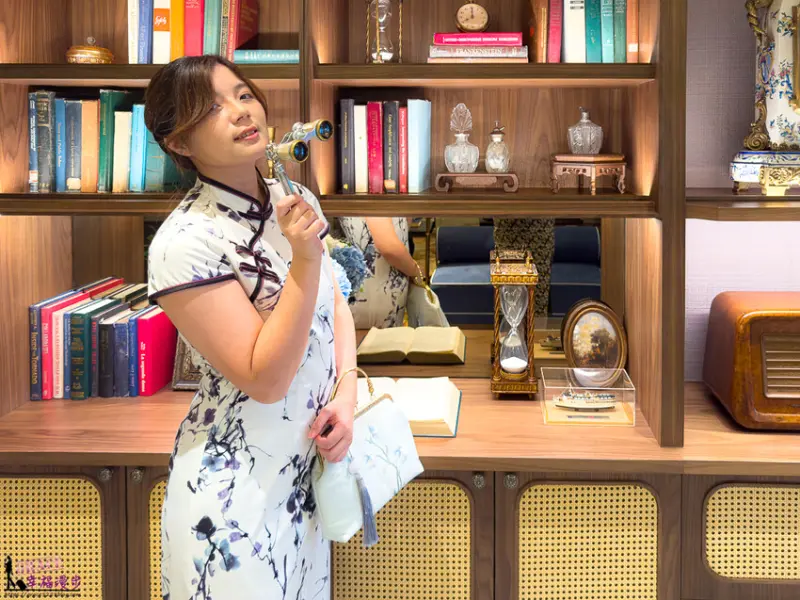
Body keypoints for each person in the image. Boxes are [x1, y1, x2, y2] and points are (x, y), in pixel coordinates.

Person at [143, 54, 357, 600]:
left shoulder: (294, 199)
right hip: (232, 499)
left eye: (242, 94)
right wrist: (305, 259)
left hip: (302, 483)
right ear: (179, 142)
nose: (241, 111)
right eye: (211, 108)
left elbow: (334, 303)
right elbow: (265, 379)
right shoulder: (183, 243)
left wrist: (347, 393)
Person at [338, 216, 421, 328]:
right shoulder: (374, 205)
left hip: (376, 291)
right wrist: (415, 271)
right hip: (376, 295)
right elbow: (389, 247)